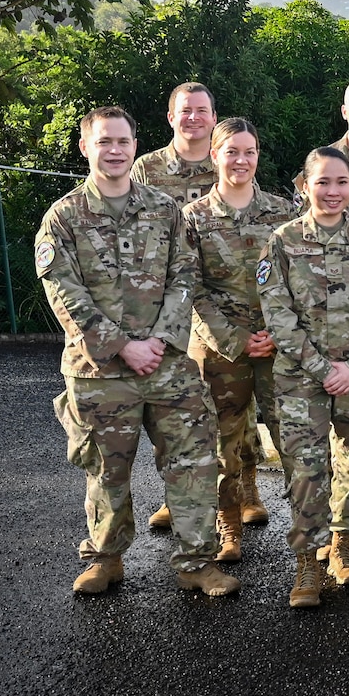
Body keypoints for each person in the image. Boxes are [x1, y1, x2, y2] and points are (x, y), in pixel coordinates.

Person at [36, 106, 238, 597]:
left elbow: (186, 274)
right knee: (106, 467)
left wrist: (161, 340)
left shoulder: (164, 211)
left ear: (134, 145)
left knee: (193, 461)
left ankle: (196, 562)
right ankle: (105, 559)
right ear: (85, 147)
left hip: (168, 364)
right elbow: (64, 292)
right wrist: (123, 346)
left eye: (123, 141)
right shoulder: (63, 217)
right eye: (104, 141)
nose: (115, 150)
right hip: (99, 369)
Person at [258, 146, 349, 608]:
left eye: (342, 182)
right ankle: (307, 566)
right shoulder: (281, 241)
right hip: (302, 377)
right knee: (306, 470)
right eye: (323, 182)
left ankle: (342, 546)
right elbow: (277, 313)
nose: (333, 191)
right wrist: (322, 368)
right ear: (304, 186)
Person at [131, 83, 253, 530]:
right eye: (186, 111)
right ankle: (175, 494)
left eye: (203, 111)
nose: (194, 118)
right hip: (163, 300)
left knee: (232, 404)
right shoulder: (148, 168)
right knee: (179, 411)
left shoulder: (229, 158)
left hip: (220, 305)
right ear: (171, 117)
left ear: (214, 116)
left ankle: (247, 491)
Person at [182, 118, 297, 563]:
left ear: (258, 156)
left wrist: (279, 333)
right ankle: (228, 528)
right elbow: (191, 289)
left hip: (278, 346)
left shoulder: (282, 212)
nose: (241, 160)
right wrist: (236, 340)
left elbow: (296, 280)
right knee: (221, 444)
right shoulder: (193, 218)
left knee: (296, 440)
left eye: (249, 152)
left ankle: (313, 536)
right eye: (232, 151)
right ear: (215, 155)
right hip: (220, 351)